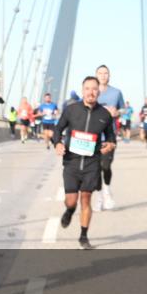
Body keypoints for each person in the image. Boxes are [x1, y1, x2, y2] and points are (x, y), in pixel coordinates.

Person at [51, 76, 117, 249]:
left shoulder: (104, 115)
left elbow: (111, 137)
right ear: (83, 91)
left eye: (94, 89)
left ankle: (83, 237)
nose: (91, 92)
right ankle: (69, 211)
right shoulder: (71, 110)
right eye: (87, 89)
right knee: (71, 201)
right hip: (71, 162)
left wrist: (110, 145)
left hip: (91, 163)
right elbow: (58, 130)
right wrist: (57, 143)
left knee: (86, 199)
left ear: (98, 91)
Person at [95, 65, 124, 210]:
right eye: (100, 73)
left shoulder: (116, 92)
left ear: (109, 75)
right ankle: (99, 197)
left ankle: (106, 190)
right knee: (95, 169)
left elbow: (124, 109)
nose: (103, 75)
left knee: (105, 166)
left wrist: (117, 112)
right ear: (96, 75)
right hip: (93, 136)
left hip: (109, 135)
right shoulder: (92, 92)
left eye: (105, 73)